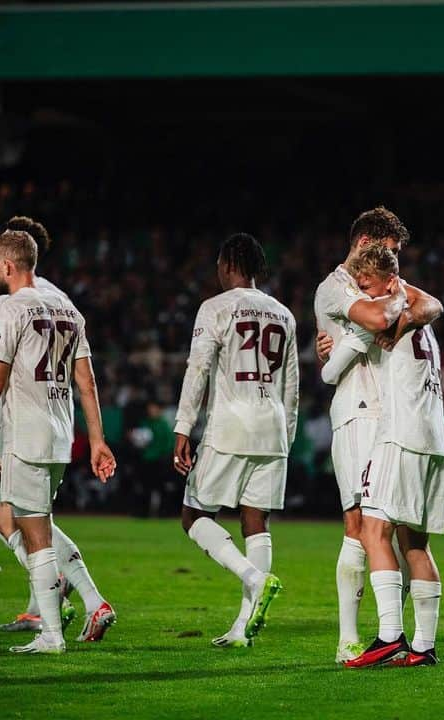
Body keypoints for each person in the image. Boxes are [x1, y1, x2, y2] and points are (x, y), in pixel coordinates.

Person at [0, 229, 116, 654]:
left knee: (33, 533)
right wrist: (96, 440)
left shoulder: (9, 309)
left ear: (7, 266)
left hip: (25, 433)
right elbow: (87, 379)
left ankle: (51, 635)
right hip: (61, 436)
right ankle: (62, 620)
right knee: (34, 524)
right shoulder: (68, 308)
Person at [312, 206, 443, 663]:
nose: (396, 265)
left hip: (396, 423)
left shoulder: (388, 284)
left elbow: (432, 305)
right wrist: (400, 308)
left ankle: (394, 635)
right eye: (390, 253)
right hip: (360, 415)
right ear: (366, 244)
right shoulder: (334, 286)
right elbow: (373, 321)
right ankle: (352, 638)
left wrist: (403, 311)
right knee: (362, 527)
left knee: (390, 532)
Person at [173, 233, 298, 649]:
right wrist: (286, 439)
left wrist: (182, 426)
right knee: (255, 521)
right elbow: (292, 387)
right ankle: (244, 627)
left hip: (230, 424)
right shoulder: (283, 314)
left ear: (228, 264)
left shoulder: (216, 308)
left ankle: (253, 579)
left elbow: (198, 369)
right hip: (273, 428)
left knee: (193, 515)